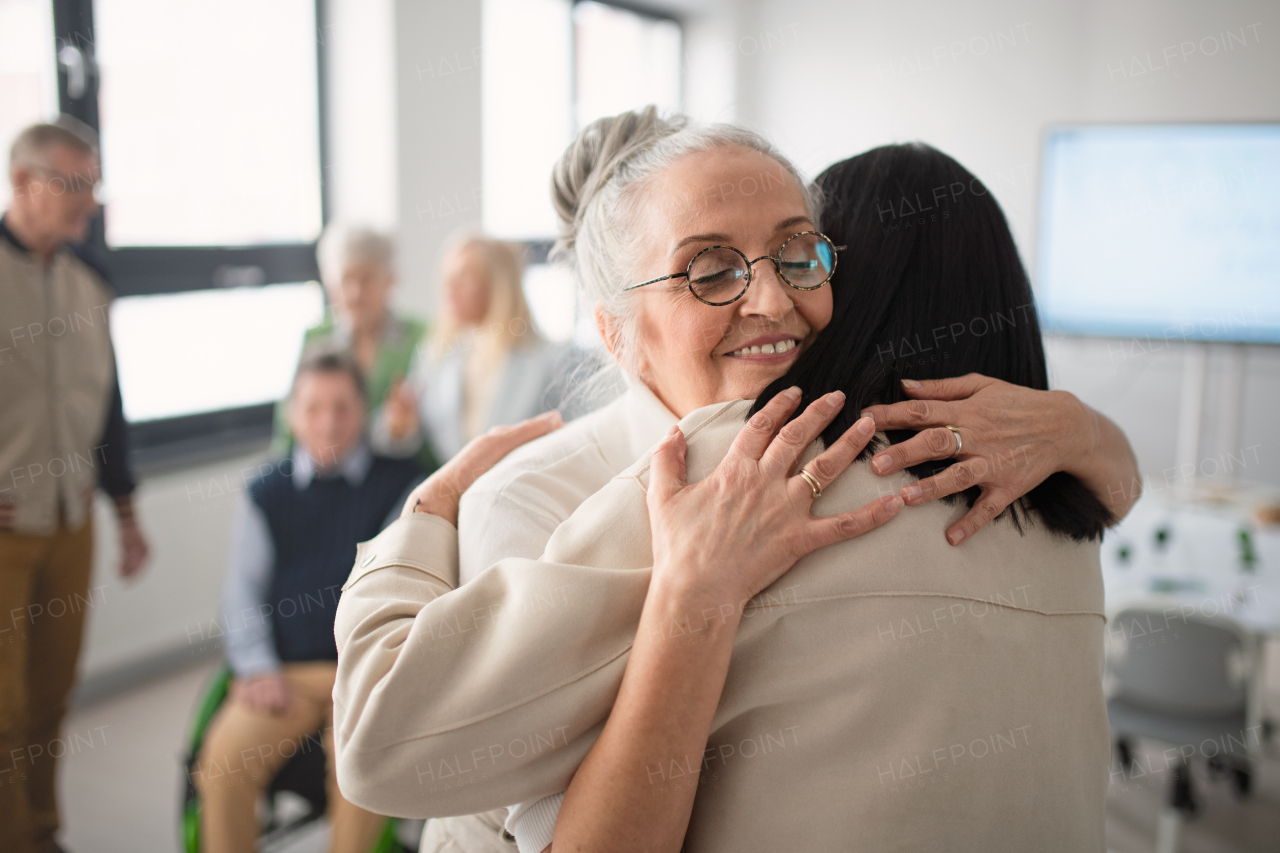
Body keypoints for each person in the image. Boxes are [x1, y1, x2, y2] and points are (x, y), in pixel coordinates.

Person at [330, 109, 1141, 849]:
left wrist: (424, 514)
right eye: (708, 270)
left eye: (798, 255)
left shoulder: (785, 467)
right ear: (615, 332)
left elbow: (386, 741)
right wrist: (1089, 434)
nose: (771, 300)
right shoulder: (1062, 505)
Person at [193, 352, 424, 853]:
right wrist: (255, 667)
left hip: (363, 676)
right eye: (314, 407)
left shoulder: (403, 482)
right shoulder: (265, 492)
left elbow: (398, 587)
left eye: (342, 407)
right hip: (284, 674)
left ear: (363, 411)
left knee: (362, 769)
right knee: (222, 763)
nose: (328, 421)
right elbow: (241, 591)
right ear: (292, 414)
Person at [0, 117, 150, 853]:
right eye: (74, 183)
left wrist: (126, 513)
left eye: (93, 184)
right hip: (5, 529)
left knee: (52, 695)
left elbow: (108, 407)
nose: (88, 200)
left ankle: (42, 830)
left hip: (72, 520)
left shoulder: (92, 278)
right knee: (2, 704)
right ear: (23, 182)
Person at [376, 233, 580, 463]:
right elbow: (390, 437)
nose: (449, 287)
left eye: (463, 276)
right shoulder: (436, 356)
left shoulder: (549, 360)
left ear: (497, 282)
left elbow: (576, 436)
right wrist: (399, 425)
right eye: (447, 276)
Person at [271, 223, 431, 469]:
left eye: (367, 279)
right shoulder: (316, 336)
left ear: (390, 279)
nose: (355, 292)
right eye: (347, 279)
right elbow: (289, 424)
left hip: (398, 473)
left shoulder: (422, 337)